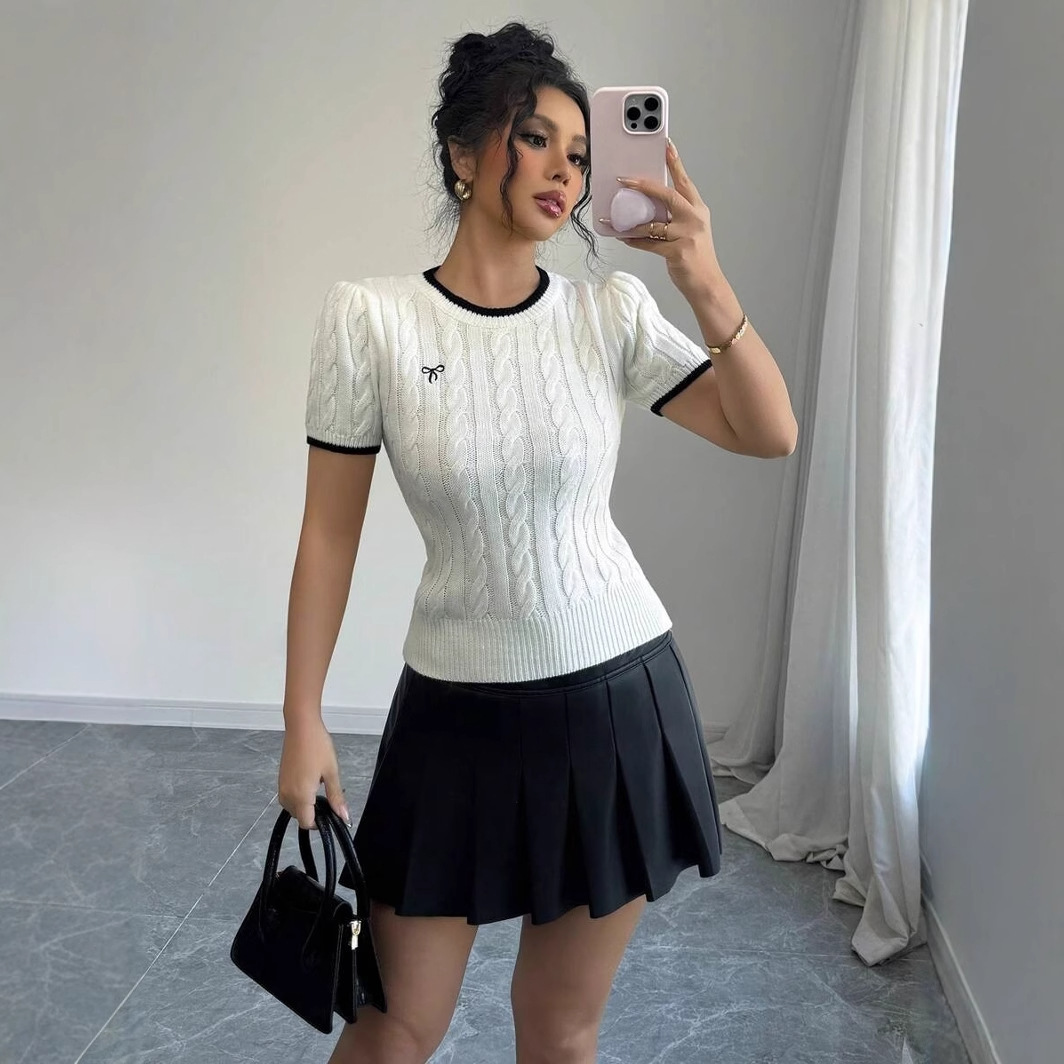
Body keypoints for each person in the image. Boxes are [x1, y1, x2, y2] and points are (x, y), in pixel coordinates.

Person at [277, 20, 798, 1064]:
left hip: (613, 702)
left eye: (580, 152)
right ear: (464, 154)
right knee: (393, 1025)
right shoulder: (371, 319)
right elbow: (329, 535)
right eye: (535, 138)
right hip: (452, 716)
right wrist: (303, 717)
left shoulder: (608, 312)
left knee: (558, 1032)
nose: (564, 168)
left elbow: (768, 431)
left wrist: (700, 275)